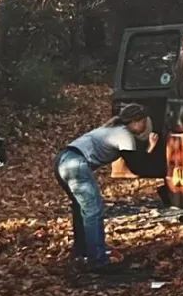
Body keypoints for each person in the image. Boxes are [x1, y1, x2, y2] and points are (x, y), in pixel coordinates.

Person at [54, 103, 157, 269]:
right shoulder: (125, 136)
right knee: (93, 211)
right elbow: (137, 166)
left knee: (81, 209)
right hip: (76, 164)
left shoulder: (113, 129)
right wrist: (151, 148)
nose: (145, 127)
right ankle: (97, 260)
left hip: (62, 160)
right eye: (144, 122)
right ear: (136, 121)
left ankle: (82, 253)